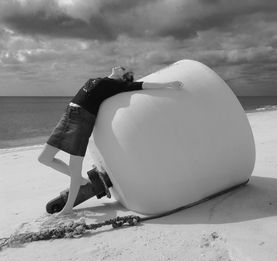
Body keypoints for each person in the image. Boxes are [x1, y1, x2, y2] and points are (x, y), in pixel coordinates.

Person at [38, 66, 183, 216]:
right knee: (44, 158)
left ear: (123, 76)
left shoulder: (117, 85)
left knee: (75, 167)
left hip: (83, 119)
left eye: (123, 68)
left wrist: (168, 84)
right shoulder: (103, 80)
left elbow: (142, 85)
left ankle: (68, 208)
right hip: (69, 114)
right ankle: (81, 181)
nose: (119, 66)